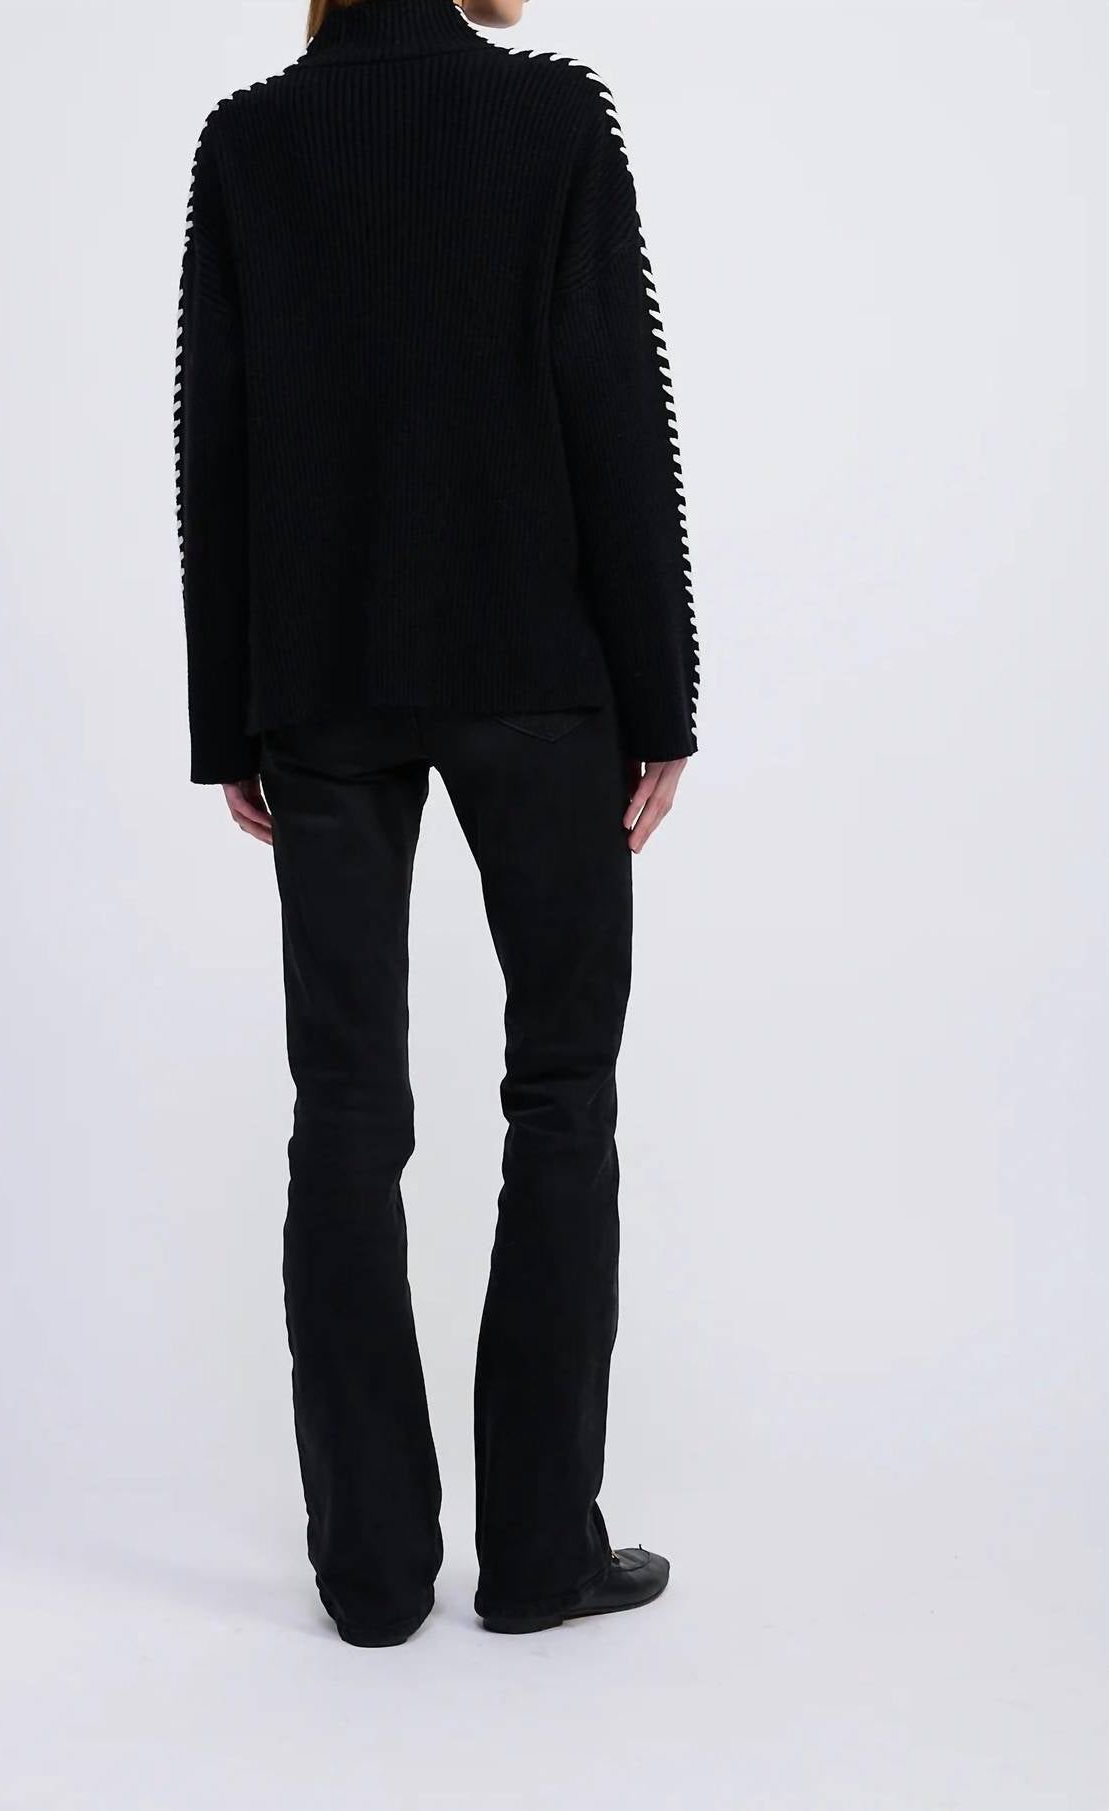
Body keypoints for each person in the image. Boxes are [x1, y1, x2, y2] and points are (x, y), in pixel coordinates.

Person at [174, 0, 698, 1646]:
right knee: (562, 1092)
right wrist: (662, 697)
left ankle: (373, 1573)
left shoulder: (251, 143)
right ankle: (539, 1556)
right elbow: (609, 405)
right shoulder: (551, 121)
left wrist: (227, 720)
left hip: (322, 683)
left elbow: (218, 442)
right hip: (541, 677)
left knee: (344, 1106)